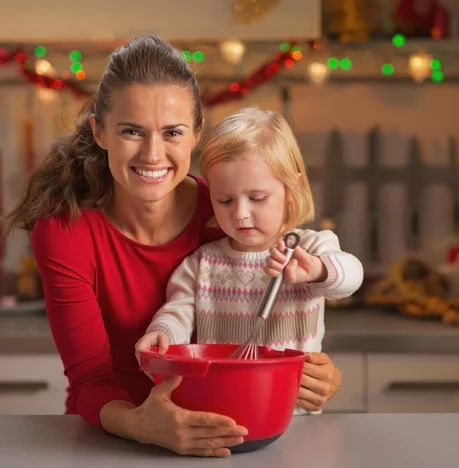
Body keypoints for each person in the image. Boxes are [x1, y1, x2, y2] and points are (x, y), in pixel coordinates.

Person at [3, 36, 342, 458]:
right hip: (109, 440)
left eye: (173, 132)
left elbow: (275, 317)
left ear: (196, 135)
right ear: (100, 131)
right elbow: (90, 378)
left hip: (222, 433)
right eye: (131, 131)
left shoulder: (223, 213)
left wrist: (316, 374)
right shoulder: (64, 230)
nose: (153, 154)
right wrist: (143, 426)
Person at [135, 108, 364, 416]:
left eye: (257, 198)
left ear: (291, 189)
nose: (240, 213)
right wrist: (163, 332)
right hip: (220, 410)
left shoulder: (311, 248)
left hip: (293, 414)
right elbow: (178, 312)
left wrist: (318, 270)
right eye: (225, 200)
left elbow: (351, 276)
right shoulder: (203, 263)